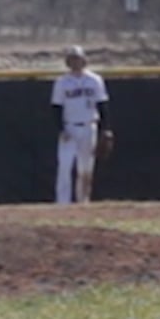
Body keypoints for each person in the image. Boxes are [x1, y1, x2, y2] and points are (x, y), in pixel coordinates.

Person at [51, 45, 112, 204]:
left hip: (89, 126)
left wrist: (105, 129)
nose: (75, 63)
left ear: (84, 60)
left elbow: (102, 105)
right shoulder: (62, 82)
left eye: (77, 59)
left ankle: (83, 202)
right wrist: (61, 129)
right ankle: (62, 203)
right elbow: (56, 108)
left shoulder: (95, 80)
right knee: (65, 166)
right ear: (67, 62)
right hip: (69, 127)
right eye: (72, 59)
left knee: (85, 168)